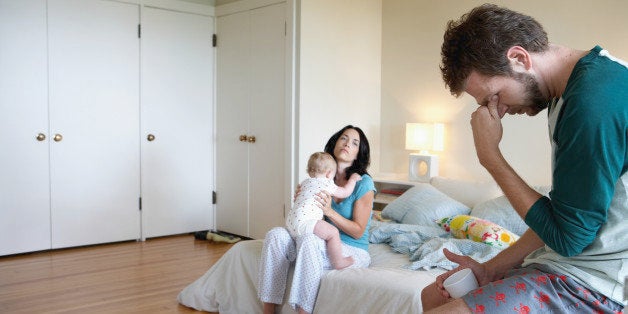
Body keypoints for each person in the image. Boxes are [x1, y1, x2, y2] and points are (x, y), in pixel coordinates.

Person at [422, 4, 627, 313]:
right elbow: (563, 215)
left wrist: (490, 156)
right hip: (568, 264)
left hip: (599, 283)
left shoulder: (591, 103)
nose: (497, 111)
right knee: (432, 296)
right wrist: (489, 268)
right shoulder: (565, 93)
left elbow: (570, 238)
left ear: (519, 59)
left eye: (495, 96)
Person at [258, 125, 375, 314]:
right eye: (343, 138)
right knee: (275, 235)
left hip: (351, 248)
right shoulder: (319, 178)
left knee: (309, 240)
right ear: (335, 143)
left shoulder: (362, 182)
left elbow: (358, 231)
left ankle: (303, 310)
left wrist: (329, 212)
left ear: (358, 154)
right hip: (319, 240)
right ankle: (268, 309)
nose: (347, 144)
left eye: (354, 143)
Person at [285, 151, 363, 270]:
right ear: (328, 174)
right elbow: (345, 192)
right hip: (306, 222)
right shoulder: (326, 183)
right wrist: (352, 180)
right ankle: (338, 261)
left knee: (305, 236)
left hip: (290, 222)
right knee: (333, 233)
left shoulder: (304, 183)